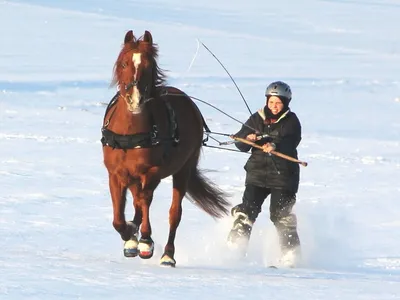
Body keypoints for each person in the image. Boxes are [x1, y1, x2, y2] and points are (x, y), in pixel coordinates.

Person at [227, 81, 302, 267]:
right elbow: (240, 143)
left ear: (285, 103)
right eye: (271, 102)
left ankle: (291, 254)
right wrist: (247, 138)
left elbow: (291, 140)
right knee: (247, 210)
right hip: (257, 174)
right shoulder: (256, 118)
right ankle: (236, 249)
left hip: (283, 176)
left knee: (280, 215)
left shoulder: (292, 120)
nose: (274, 107)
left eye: (278, 103)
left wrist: (274, 144)